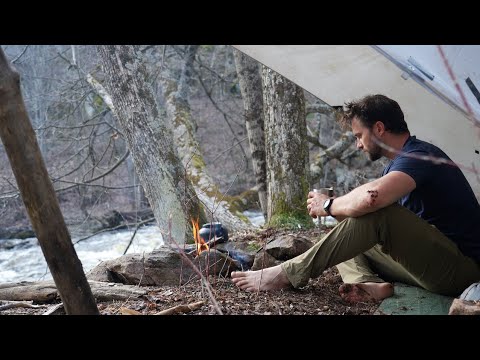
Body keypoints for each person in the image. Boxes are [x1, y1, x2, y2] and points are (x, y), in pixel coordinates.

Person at [231, 94, 480, 303]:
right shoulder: (397, 165)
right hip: (430, 266)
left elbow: (373, 201)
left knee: (377, 212)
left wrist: (328, 205)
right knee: (349, 226)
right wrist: (337, 209)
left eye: (359, 135)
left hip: (461, 271)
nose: (358, 145)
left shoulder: (419, 157)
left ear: (379, 128)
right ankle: (365, 283)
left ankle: (286, 274)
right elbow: (365, 213)